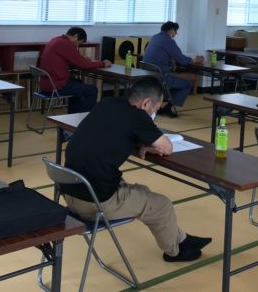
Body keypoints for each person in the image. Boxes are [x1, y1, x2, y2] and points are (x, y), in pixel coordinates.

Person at [61, 76, 212, 262]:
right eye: (156, 109)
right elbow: (166, 147)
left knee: (144, 192)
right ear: (146, 103)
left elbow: (115, 131)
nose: (154, 114)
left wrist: (143, 143)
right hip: (94, 203)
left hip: (71, 192)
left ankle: (182, 239)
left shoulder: (108, 103)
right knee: (162, 205)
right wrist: (149, 143)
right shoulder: (138, 116)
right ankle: (175, 252)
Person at [40, 27, 112, 113]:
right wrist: (103, 63)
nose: (77, 46)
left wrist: (81, 59)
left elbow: (68, 60)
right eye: (78, 43)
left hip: (46, 83)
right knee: (92, 90)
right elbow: (84, 65)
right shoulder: (66, 44)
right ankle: (85, 118)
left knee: (78, 83)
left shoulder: (56, 40)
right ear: (75, 36)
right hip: (56, 86)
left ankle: (73, 114)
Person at [142, 21, 203, 117]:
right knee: (187, 84)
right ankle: (168, 107)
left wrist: (172, 60)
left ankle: (160, 106)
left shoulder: (154, 37)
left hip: (148, 74)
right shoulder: (168, 41)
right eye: (176, 31)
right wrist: (194, 60)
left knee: (174, 80)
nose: (176, 34)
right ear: (171, 30)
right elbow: (181, 59)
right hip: (161, 76)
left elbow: (163, 53)